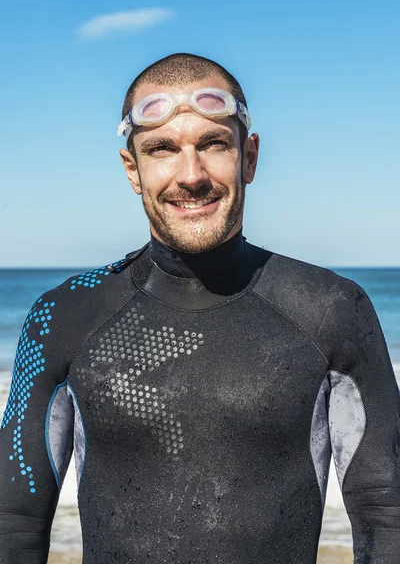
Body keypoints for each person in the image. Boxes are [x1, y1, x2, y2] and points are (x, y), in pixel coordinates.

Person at [0, 53, 399, 564]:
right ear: (133, 169)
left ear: (249, 157)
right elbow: (13, 525)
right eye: (161, 149)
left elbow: (386, 512)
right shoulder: (62, 317)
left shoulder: (332, 309)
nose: (191, 175)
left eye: (213, 144)